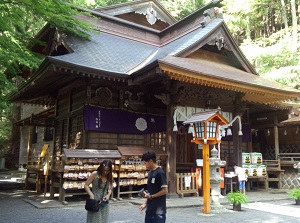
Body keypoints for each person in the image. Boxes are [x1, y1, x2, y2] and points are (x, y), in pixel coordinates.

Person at [139, 151, 168, 223]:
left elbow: (165, 190)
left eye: (145, 163)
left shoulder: (160, 173)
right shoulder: (150, 173)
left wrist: (152, 196)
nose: (144, 164)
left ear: (151, 161)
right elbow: (150, 191)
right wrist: (145, 204)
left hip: (158, 211)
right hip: (149, 210)